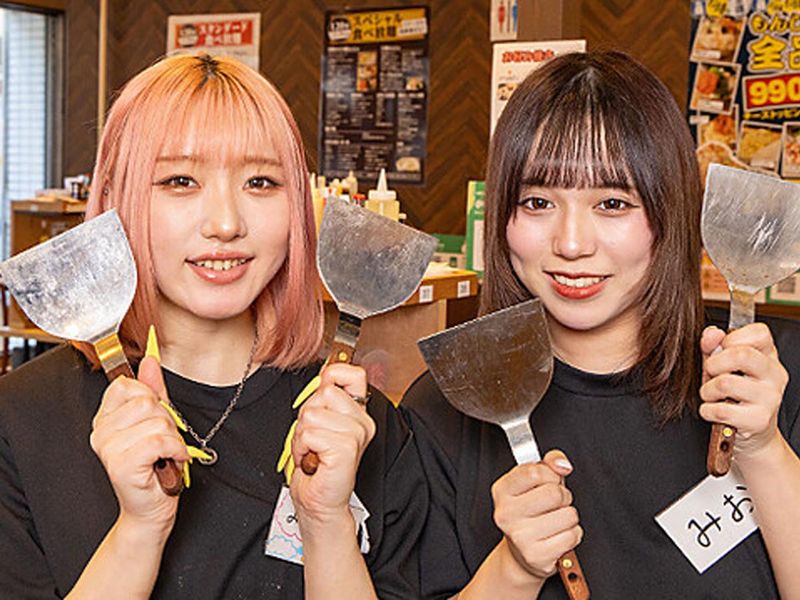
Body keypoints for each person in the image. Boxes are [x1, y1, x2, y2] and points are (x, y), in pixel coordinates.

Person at [0, 54, 425, 599]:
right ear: (111, 201)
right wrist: (140, 531)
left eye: (260, 181)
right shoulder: (20, 422)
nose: (225, 223)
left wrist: (326, 523)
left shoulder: (364, 426)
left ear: (298, 207)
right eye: (180, 180)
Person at [402, 51, 800, 599]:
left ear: (669, 213)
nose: (571, 243)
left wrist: (764, 449)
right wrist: (513, 570)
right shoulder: (445, 408)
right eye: (537, 201)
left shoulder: (770, 377)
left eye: (612, 203)